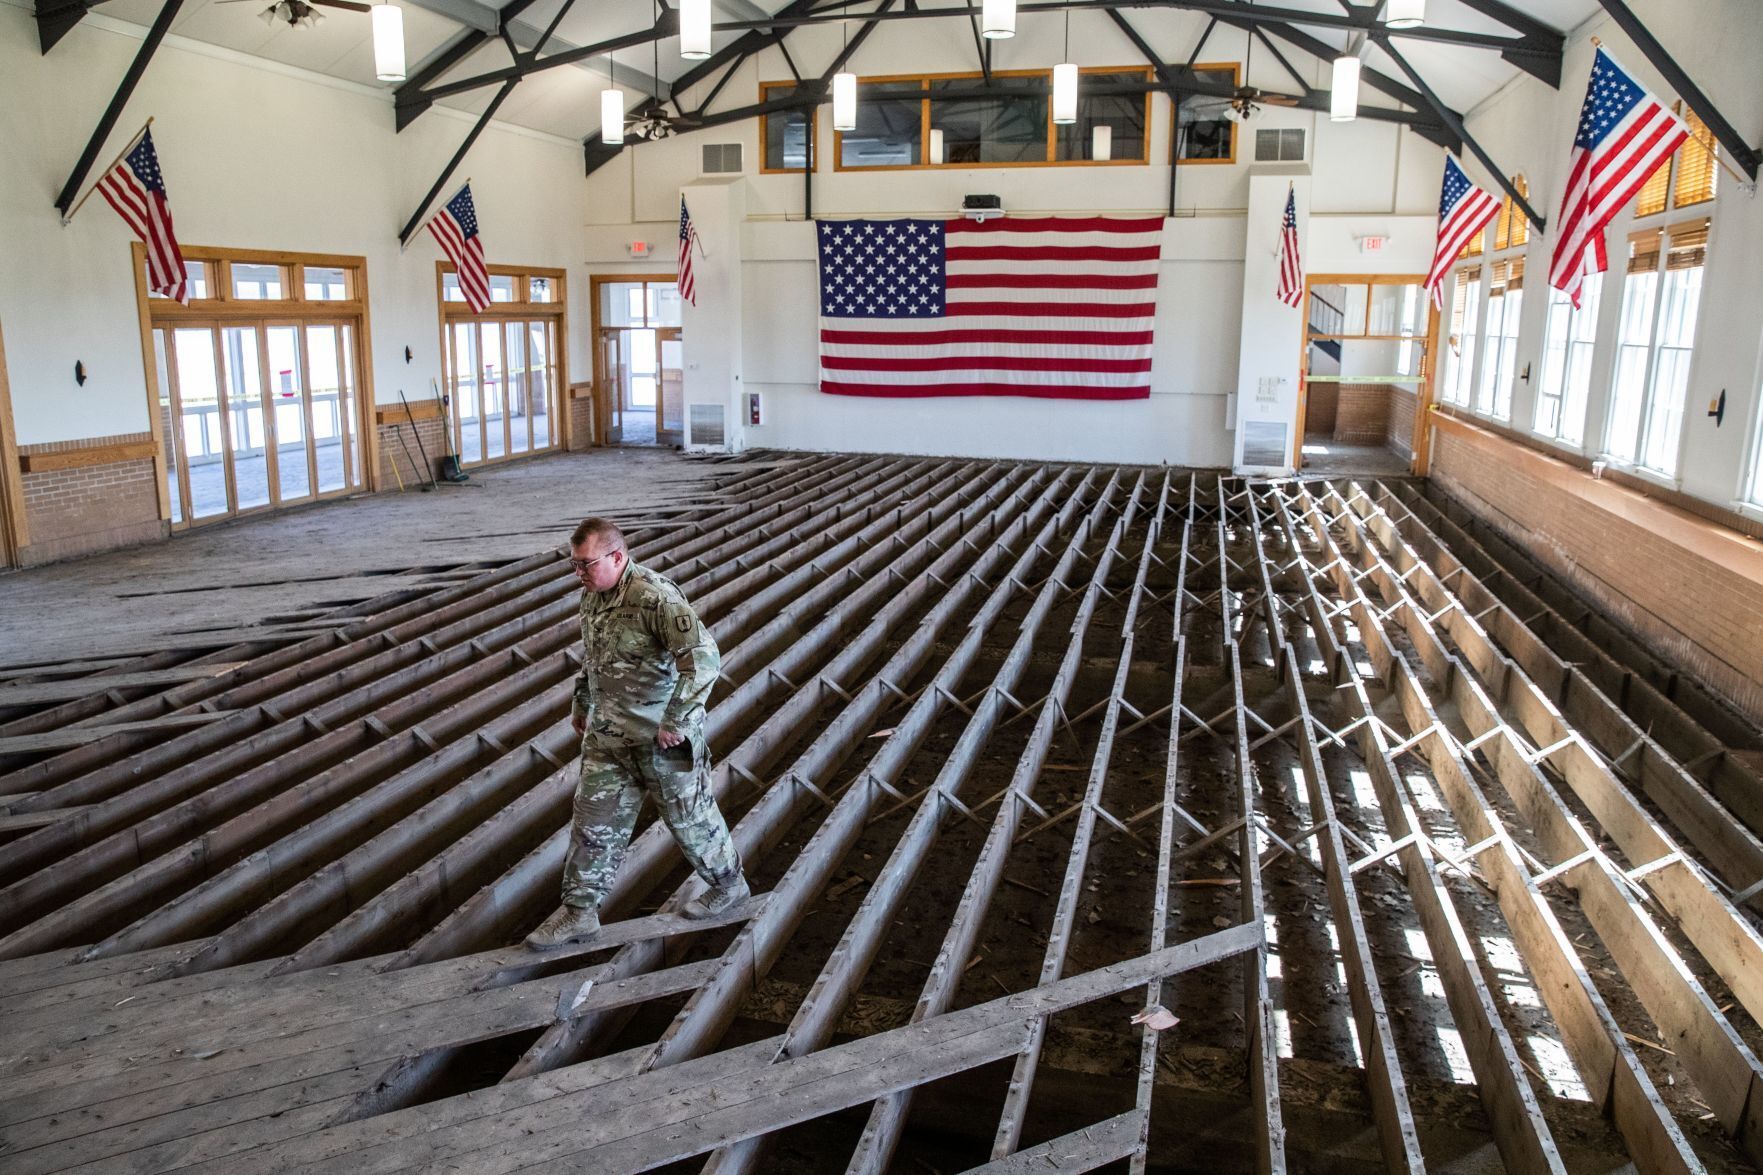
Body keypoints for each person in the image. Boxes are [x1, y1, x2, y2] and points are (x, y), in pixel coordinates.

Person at [527, 517, 749, 949]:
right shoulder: (591, 597)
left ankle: (729, 884)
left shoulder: (655, 598)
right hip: (608, 738)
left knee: (691, 821)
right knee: (592, 823)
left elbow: (703, 659)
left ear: (617, 556)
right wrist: (583, 703)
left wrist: (678, 719)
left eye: (585, 564)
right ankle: (579, 912)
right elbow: (595, 657)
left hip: (660, 739)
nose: (578, 573)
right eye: (573, 564)